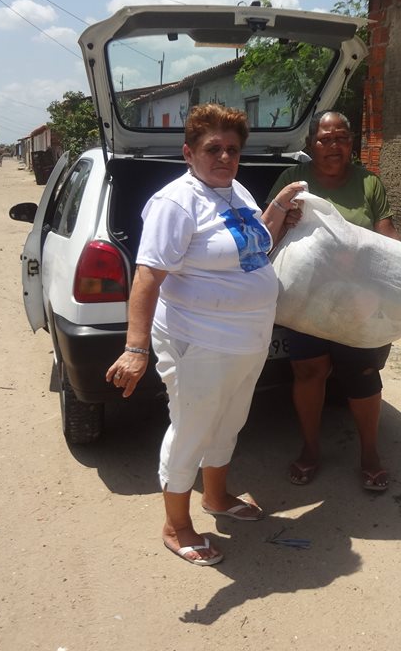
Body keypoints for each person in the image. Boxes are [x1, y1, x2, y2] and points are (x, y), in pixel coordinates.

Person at [105, 104, 305, 567]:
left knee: (229, 422)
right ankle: (176, 525)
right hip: (198, 342)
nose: (225, 157)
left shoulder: (236, 191)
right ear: (188, 153)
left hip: (247, 339)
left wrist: (277, 209)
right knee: (191, 429)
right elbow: (147, 277)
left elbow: (253, 246)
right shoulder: (175, 203)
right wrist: (135, 348)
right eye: (213, 149)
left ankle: (216, 497)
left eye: (232, 149)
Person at [267, 110, 401, 493]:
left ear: (351, 142)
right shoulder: (292, 180)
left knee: (362, 373)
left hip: (359, 299)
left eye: (341, 138)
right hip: (305, 300)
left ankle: (370, 454)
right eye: (325, 139)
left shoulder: (368, 183)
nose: (333, 146)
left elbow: (388, 240)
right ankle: (311, 449)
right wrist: (284, 219)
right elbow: (266, 233)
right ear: (311, 144)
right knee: (309, 373)